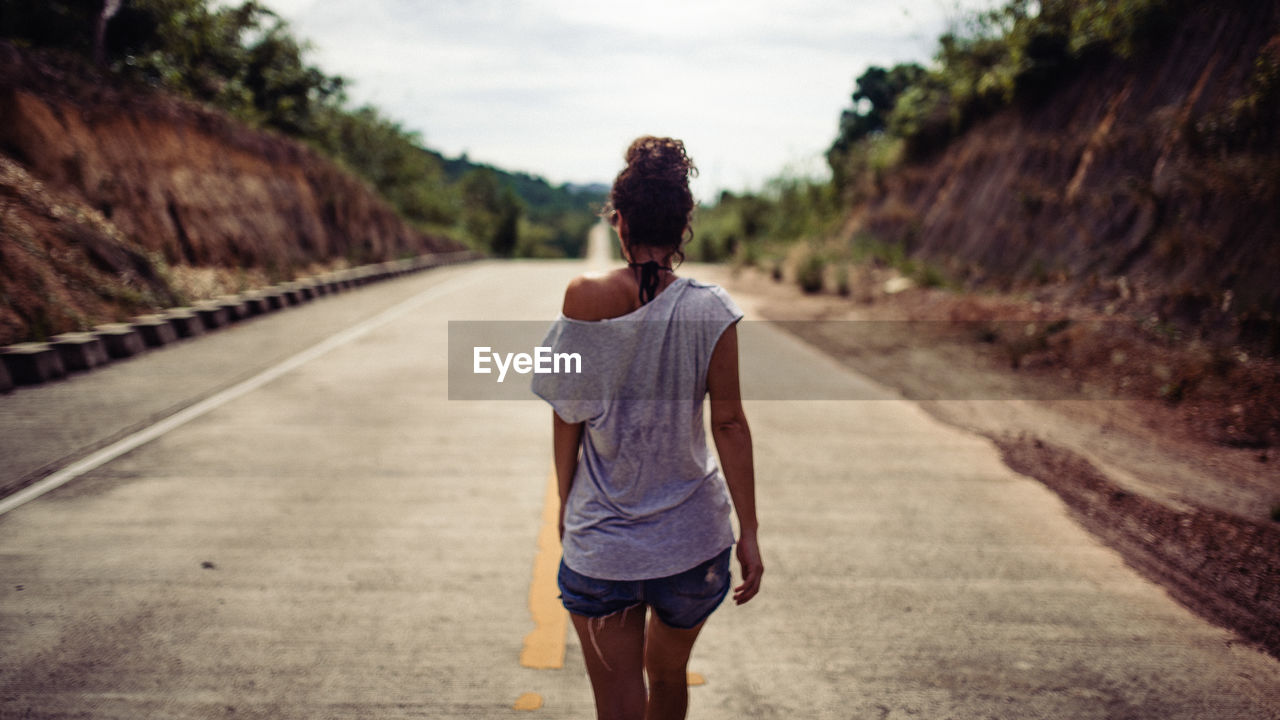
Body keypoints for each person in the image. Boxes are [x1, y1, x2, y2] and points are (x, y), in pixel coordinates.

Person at [530, 136, 763, 720]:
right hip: (693, 544)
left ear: (621, 220)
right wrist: (751, 531)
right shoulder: (712, 309)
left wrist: (565, 499)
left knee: (619, 703)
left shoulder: (584, 298)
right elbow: (729, 422)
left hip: (605, 545)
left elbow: (567, 412)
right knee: (668, 676)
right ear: (684, 226)